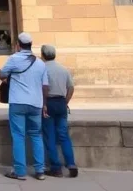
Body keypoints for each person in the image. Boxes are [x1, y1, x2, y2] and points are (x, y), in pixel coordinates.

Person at [0, 32, 49, 181]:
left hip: (18, 102)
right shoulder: (40, 63)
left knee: (19, 137)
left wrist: (9, 78)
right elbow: (45, 86)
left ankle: (20, 171)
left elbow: (2, 74)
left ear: (18, 45)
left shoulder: (14, 59)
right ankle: (40, 170)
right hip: (36, 103)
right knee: (36, 135)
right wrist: (44, 104)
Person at [40, 44, 78, 178]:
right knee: (63, 135)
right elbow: (71, 87)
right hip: (61, 102)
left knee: (49, 135)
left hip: (48, 103)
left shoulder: (42, 69)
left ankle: (56, 167)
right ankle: (71, 163)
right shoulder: (63, 69)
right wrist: (66, 101)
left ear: (43, 55)